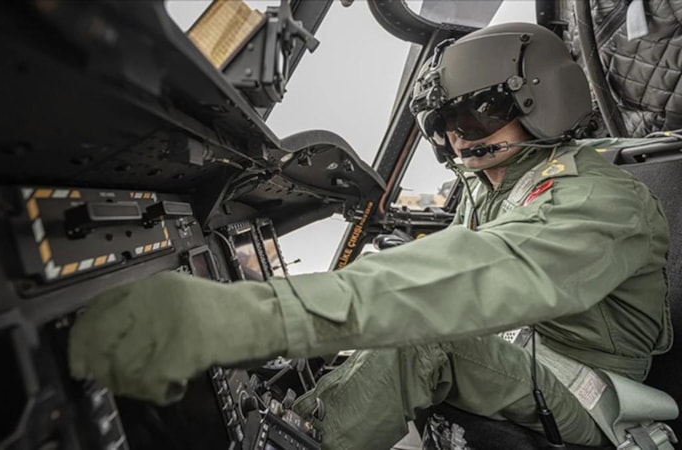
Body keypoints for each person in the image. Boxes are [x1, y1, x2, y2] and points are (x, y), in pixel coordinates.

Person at [68, 23, 671, 449]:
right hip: (519, 354)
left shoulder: (599, 197)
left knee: (424, 338)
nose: (457, 140)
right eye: (442, 124)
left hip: (591, 389)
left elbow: (486, 268)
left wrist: (255, 314)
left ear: (544, 98)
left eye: (473, 116)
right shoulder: (495, 181)